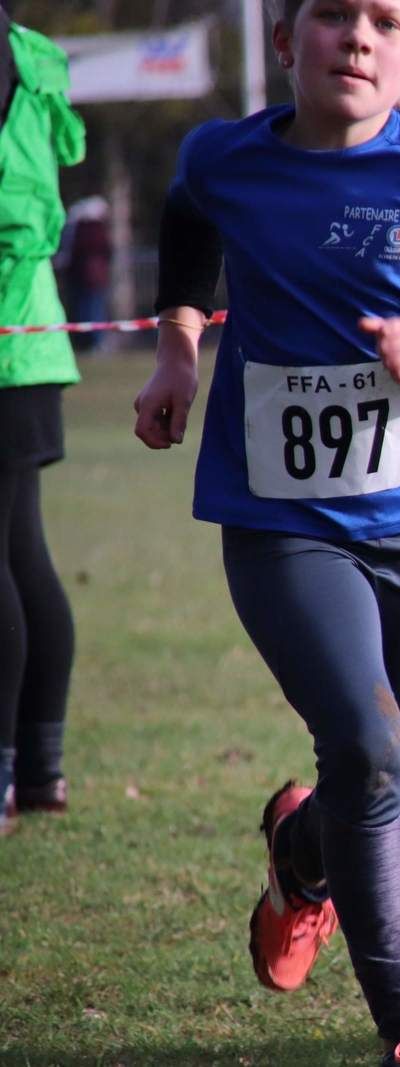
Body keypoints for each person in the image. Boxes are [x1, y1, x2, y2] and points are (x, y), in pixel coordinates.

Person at [131, 1, 400, 1063]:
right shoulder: (223, 158)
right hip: (279, 521)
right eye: (331, 14)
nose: (354, 37)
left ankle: (301, 851)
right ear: (287, 41)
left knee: (378, 771)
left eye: (382, 20)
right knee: (368, 751)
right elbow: (187, 227)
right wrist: (179, 348)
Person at [0, 4, 85, 836]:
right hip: (32, 345)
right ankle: (41, 766)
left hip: (8, 350)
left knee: (12, 559)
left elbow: (18, 218)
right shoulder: (30, 61)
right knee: (23, 553)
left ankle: (9, 774)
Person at [58, 196, 113, 351]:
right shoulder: (92, 230)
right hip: (91, 277)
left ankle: (90, 342)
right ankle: (91, 342)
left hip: (87, 278)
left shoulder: (79, 230)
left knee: (89, 310)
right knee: (91, 310)